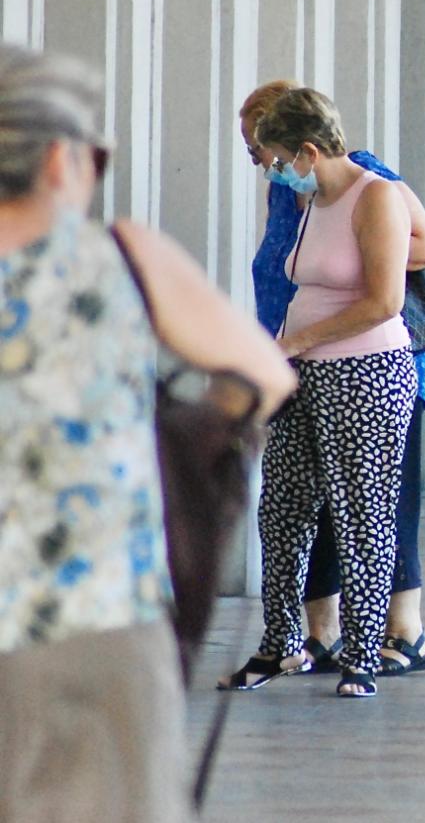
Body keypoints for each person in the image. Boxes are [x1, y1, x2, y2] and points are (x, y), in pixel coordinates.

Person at [0, 46, 295, 820]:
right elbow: (264, 374)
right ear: (63, 159)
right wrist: (187, 427)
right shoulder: (122, 258)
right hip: (96, 623)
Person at [238, 80, 425, 677]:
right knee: (286, 506)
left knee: (367, 510)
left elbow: (414, 260)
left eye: (266, 154)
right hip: (298, 363)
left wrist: (365, 259)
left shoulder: (366, 182)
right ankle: (298, 639)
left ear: (303, 147)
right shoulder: (300, 194)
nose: (263, 165)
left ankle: (386, 640)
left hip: (363, 364)